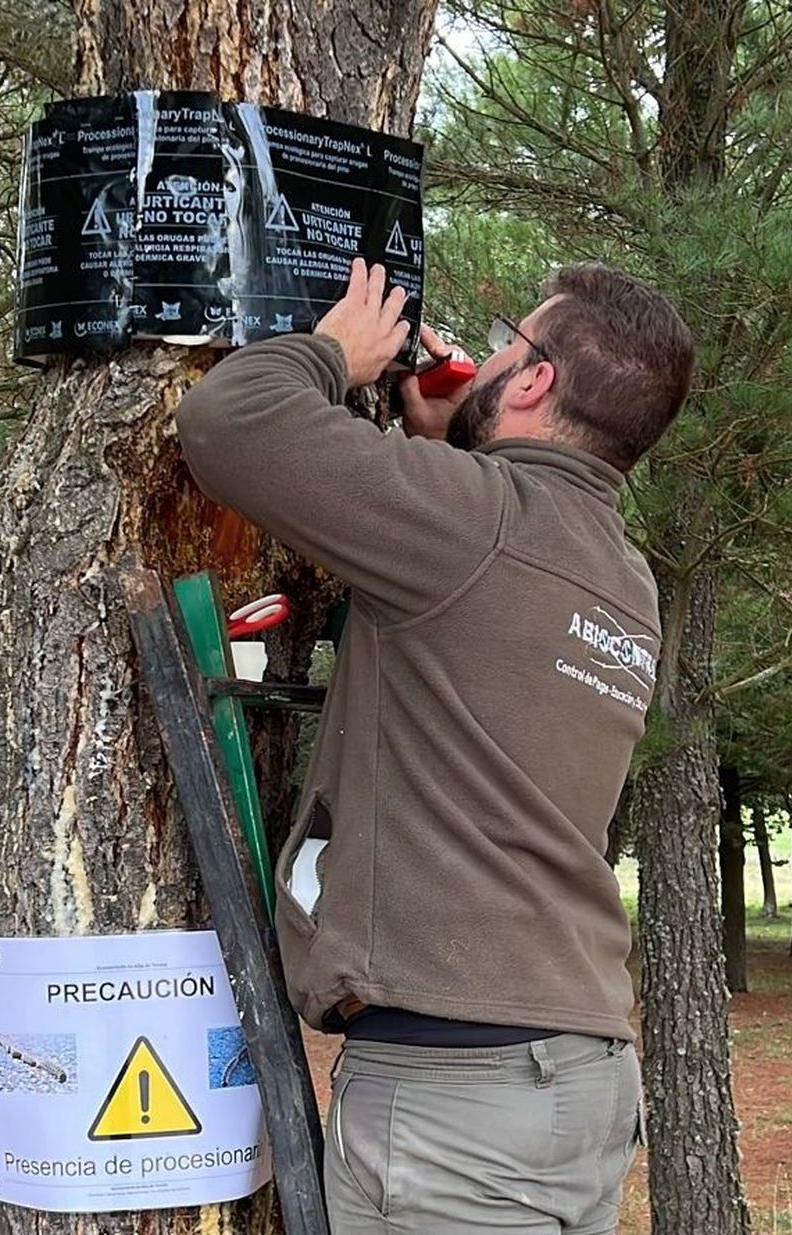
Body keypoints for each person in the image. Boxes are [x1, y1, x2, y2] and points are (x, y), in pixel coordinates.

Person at [175, 257, 695, 1234]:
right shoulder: (623, 579)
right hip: (577, 1075)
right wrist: (441, 439)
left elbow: (226, 422)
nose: (487, 356)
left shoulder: (470, 523)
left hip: (459, 1105)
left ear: (534, 379)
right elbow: (480, 607)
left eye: (507, 341)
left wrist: (335, 354)